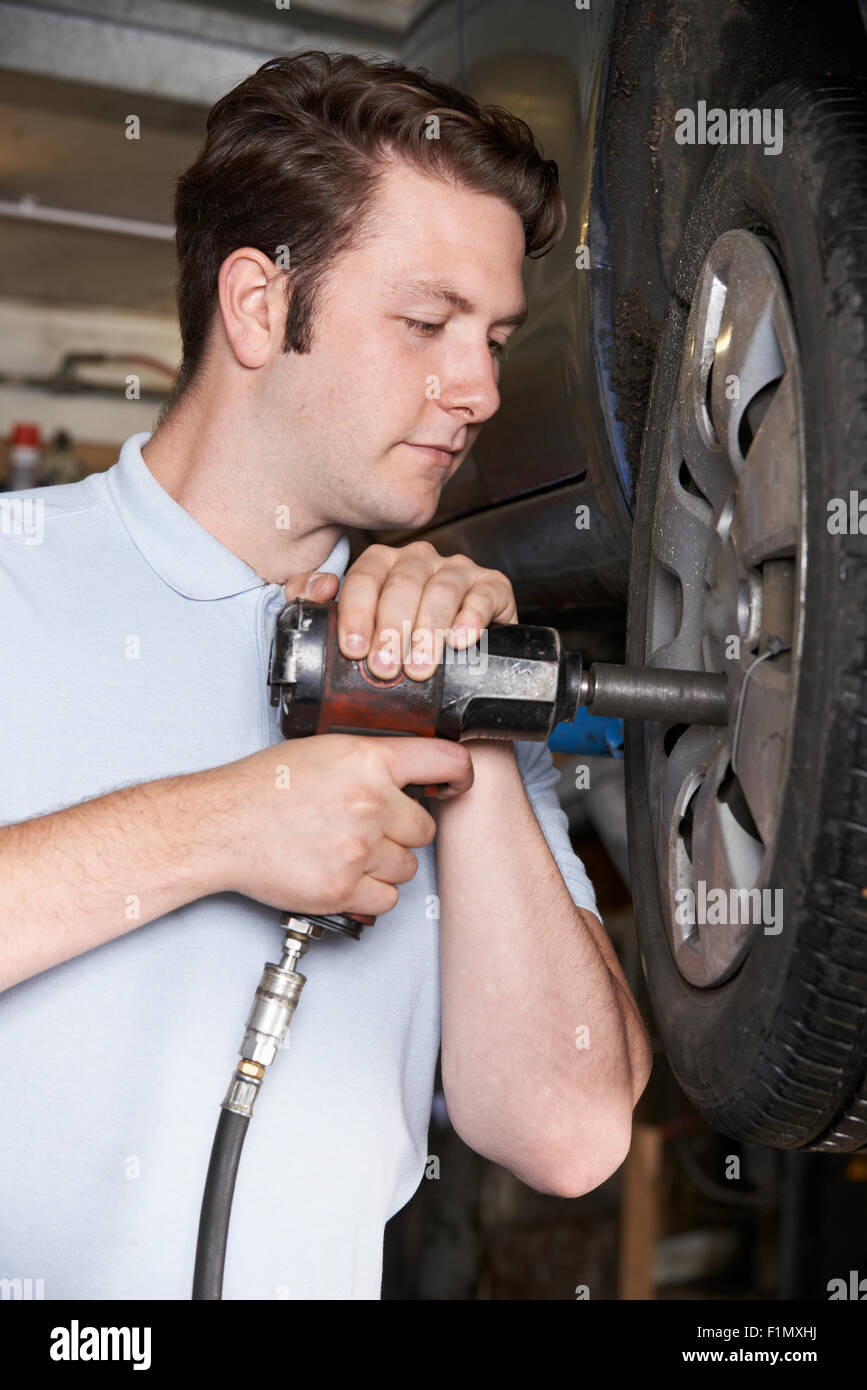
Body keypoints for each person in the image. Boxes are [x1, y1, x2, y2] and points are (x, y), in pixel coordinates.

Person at [0, 50, 652, 1301]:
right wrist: (220, 823)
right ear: (257, 305)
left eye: (496, 337)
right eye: (426, 323)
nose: (477, 389)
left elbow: (569, 1133)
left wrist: (473, 731)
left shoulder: (437, 646)